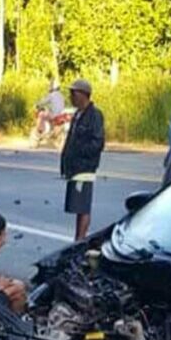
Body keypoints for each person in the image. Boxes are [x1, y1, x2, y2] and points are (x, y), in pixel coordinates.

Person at [59, 79, 105, 241]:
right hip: (74, 167)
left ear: (83, 95)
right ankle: (78, 238)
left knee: (82, 205)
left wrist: (81, 153)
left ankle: (80, 239)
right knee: (76, 205)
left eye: (74, 93)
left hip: (85, 168)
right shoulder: (77, 114)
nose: (71, 97)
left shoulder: (95, 115)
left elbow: (98, 142)